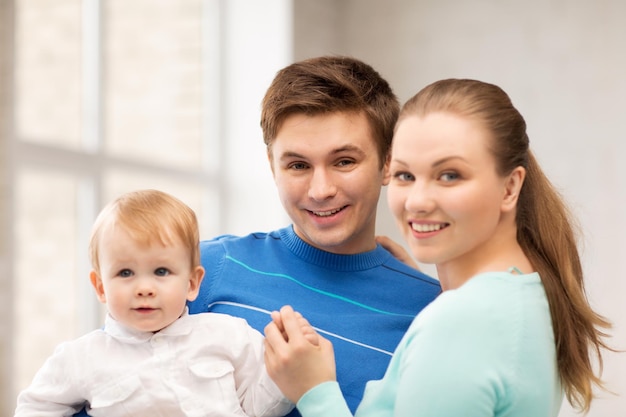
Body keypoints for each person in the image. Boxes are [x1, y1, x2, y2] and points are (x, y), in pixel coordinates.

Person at [263, 79, 613, 416]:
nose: (417, 201)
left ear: (509, 188)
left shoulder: (460, 323)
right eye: (405, 175)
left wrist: (315, 392)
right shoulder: (526, 293)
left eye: (449, 175)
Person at [187, 56, 441, 416]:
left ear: (388, 162)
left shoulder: (432, 313)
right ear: (272, 166)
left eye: (344, 161)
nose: (321, 190)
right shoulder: (202, 270)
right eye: (298, 165)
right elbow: (107, 387)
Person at [15, 189, 294, 417]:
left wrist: (289, 372)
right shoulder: (80, 358)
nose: (144, 288)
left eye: (161, 271)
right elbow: (34, 407)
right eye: (125, 273)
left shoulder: (229, 334)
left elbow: (260, 407)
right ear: (100, 287)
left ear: (192, 283)